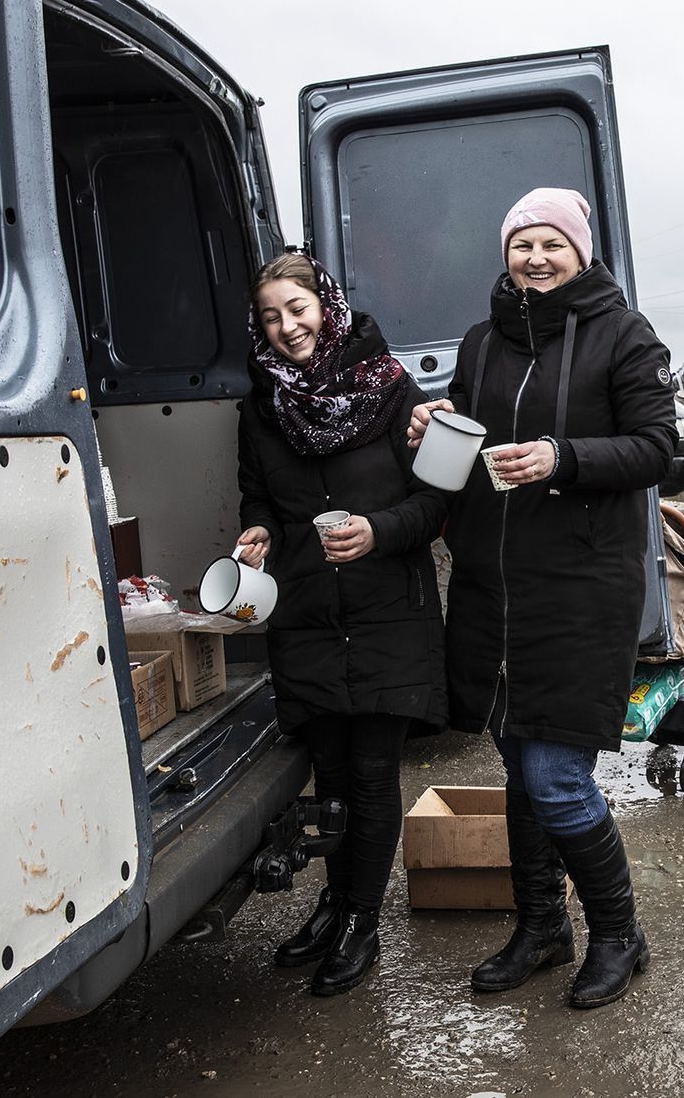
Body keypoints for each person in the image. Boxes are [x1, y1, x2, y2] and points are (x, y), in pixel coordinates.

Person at [406, 187, 675, 1009]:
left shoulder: (623, 336)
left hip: (580, 587)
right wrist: (434, 425)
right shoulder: (483, 342)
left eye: (552, 243)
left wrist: (563, 457)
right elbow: (467, 450)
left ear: (580, 251)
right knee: (519, 764)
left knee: (557, 774)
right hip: (495, 585)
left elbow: (658, 445)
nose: (535, 257)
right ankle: (540, 926)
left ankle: (618, 934)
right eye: (522, 243)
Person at [234, 253, 449, 996]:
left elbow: (437, 501)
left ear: (325, 305)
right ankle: (333, 902)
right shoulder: (261, 405)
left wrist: (378, 531)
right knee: (329, 775)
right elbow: (255, 495)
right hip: (306, 611)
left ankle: (362, 918)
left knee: (369, 771)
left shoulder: (389, 391)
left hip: (388, 609)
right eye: (270, 315)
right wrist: (257, 532)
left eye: (297, 308)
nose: (287, 326)